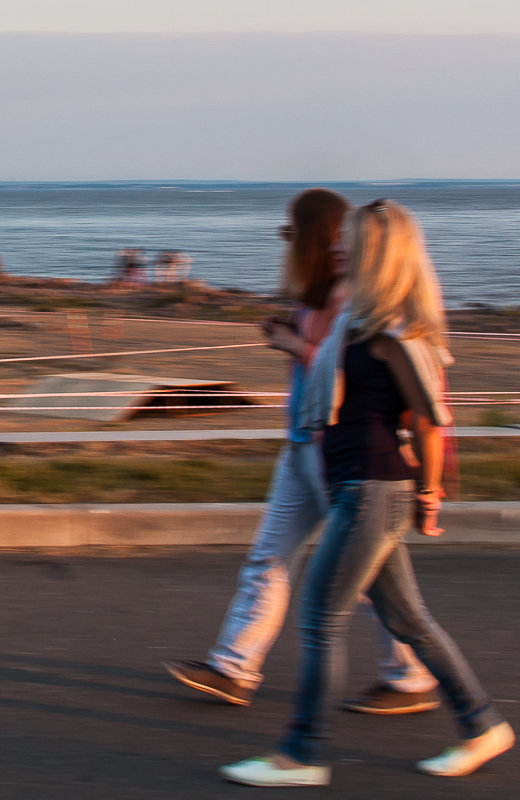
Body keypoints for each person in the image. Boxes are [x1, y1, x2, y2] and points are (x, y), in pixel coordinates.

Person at [221, 199, 513, 787]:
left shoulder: (397, 335)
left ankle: (300, 755)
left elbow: (431, 419)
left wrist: (428, 497)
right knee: (410, 621)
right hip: (357, 484)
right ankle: (483, 727)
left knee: (319, 618)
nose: (335, 246)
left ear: (377, 252)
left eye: (348, 240)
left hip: (372, 490)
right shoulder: (356, 320)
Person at [164, 189, 437, 713]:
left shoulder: (351, 300)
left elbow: (351, 381)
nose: (285, 241)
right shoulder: (316, 294)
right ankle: (233, 667)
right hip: (302, 447)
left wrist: (292, 346)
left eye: (292, 231)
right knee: (269, 557)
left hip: (338, 453)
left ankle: (411, 676)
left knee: (368, 578)